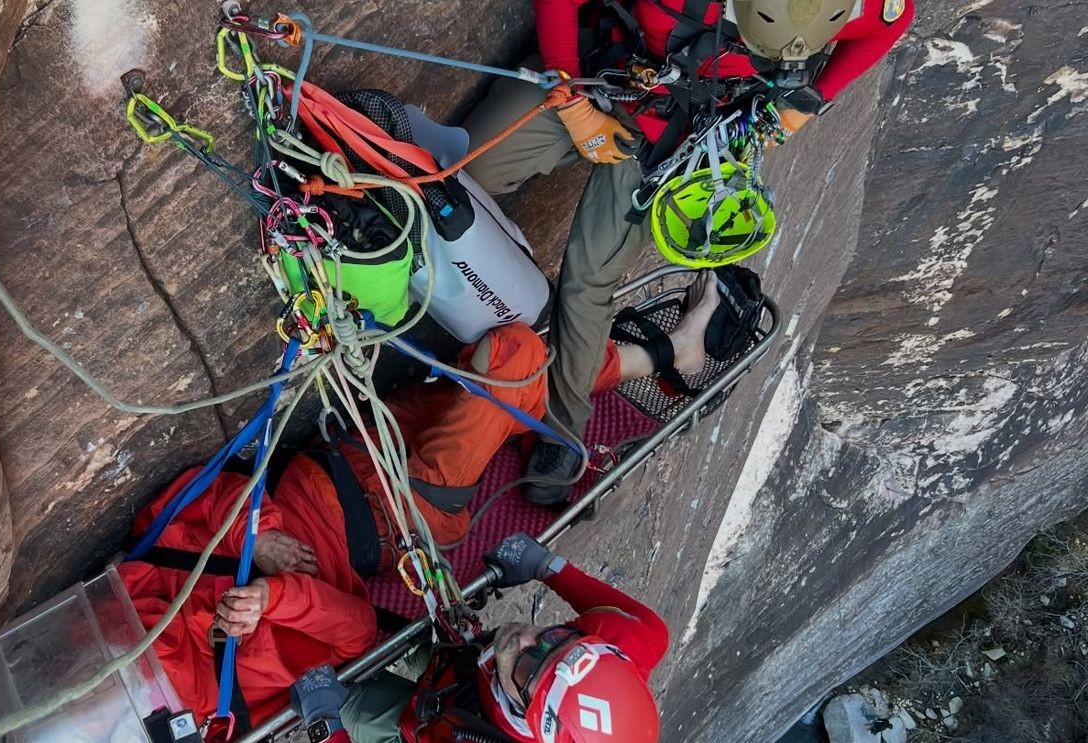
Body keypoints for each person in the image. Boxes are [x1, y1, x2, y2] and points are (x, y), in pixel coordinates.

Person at [460, 0, 914, 503]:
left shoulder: (855, 5)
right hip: (595, 81)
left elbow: (891, 23)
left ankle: (563, 430)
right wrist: (572, 103)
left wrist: (806, 101)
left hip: (680, 142)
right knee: (464, 170)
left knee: (589, 282)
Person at [339, 270, 720, 557]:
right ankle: (665, 354)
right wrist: (275, 593)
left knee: (515, 379)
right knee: (514, 356)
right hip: (404, 509)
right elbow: (351, 630)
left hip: (370, 454)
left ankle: (665, 354)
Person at [290, 532, 670, 742]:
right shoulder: (628, 642)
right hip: (465, 664)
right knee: (383, 628)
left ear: (528, 714)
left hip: (431, 730)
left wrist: (326, 725)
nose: (526, 637)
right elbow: (643, 624)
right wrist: (545, 566)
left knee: (330, 692)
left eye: (529, 664)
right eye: (554, 638)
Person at [117, 457, 379, 727]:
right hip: (341, 496)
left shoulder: (200, 705)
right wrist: (266, 587)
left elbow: (155, 536)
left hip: (337, 495)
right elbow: (360, 630)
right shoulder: (211, 707)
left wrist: (257, 548)